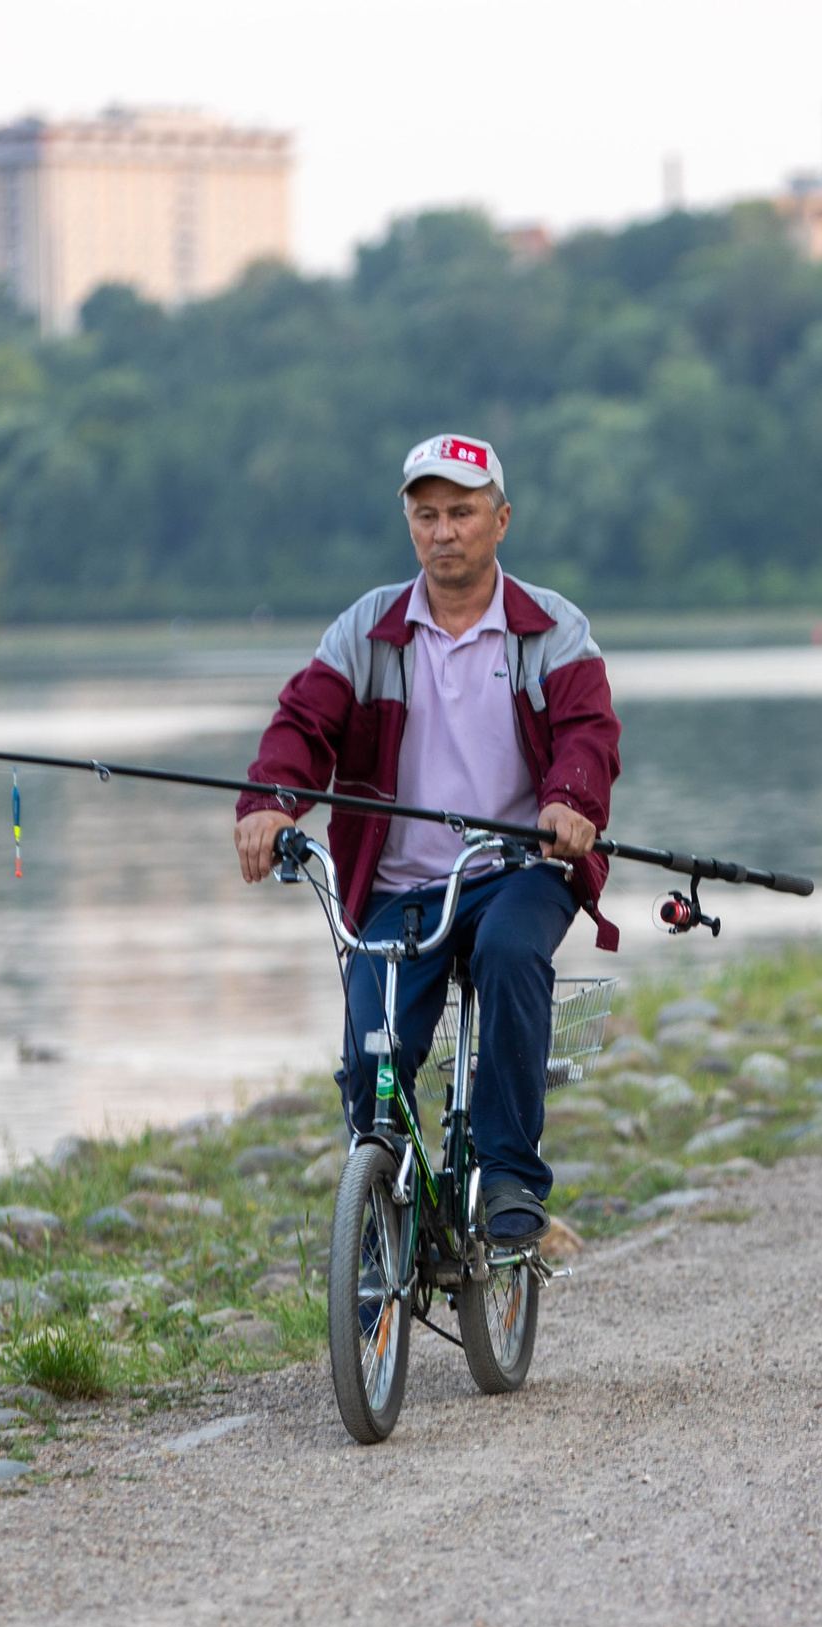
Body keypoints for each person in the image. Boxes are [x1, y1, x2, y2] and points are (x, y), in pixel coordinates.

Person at [233, 434, 621, 1248]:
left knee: (514, 953)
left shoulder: (551, 628)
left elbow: (588, 732)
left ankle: (511, 1173)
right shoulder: (365, 629)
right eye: (427, 513)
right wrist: (270, 801)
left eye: (463, 512)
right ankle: (383, 1212)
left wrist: (571, 800)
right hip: (399, 886)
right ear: (409, 522)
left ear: (501, 519)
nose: (444, 530)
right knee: (373, 1053)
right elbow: (303, 723)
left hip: (520, 870)